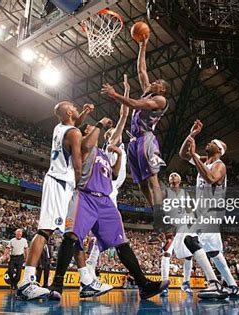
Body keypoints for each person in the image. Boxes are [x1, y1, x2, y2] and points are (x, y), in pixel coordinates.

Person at [47, 119, 170, 301]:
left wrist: (120, 156)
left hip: (105, 202)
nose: (91, 130)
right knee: (71, 236)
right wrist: (99, 124)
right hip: (85, 196)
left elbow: (113, 174)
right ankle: (57, 284)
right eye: (88, 129)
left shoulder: (103, 154)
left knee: (122, 243)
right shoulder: (83, 146)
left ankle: (143, 284)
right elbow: (88, 143)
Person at [17, 102, 89, 300]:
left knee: (71, 233)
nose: (75, 108)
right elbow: (77, 164)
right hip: (61, 183)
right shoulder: (73, 133)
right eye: (74, 107)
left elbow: (75, 123)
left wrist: (83, 113)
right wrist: (79, 186)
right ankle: (27, 281)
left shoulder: (60, 127)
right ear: (68, 112)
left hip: (58, 182)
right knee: (45, 230)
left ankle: (87, 279)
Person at [101, 37, 169, 232]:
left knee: (152, 180)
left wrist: (115, 95)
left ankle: (160, 217)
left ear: (162, 89)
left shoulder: (160, 100)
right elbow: (142, 70)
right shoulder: (148, 91)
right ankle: (156, 213)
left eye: (158, 82)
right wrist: (143, 46)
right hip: (134, 141)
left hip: (147, 139)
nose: (153, 82)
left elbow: (136, 105)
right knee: (141, 185)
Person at [179, 120, 239, 299]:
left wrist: (195, 156)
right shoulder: (204, 162)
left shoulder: (219, 165)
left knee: (190, 240)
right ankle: (233, 286)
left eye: (212, 142)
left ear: (219, 150)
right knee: (213, 251)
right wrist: (191, 135)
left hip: (212, 210)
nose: (208, 142)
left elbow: (211, 179)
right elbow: (182, 154)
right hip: (205, 211)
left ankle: (213, 282)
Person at [86, 74, 130, 279]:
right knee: (116, 232)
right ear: (110, 136)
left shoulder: (111, 146)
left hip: (113, 190)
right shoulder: (113, 141)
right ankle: (90, 264)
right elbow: (123, 116)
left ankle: (90, 264)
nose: (118, 132)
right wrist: (126, 93)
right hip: (108, 191)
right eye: (114, 132)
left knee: (105, 232)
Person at [159, 172, 194, 297]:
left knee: (189, 255)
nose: (173, 176)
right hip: (170, 226)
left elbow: (190, 210)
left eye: (175, 175)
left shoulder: (185, 194)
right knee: (166, 253)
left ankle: (186, 283)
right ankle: (164, 284)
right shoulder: (164, 192)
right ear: (169, 180)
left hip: (183, 226)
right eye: (171, 175)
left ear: (180, 179)